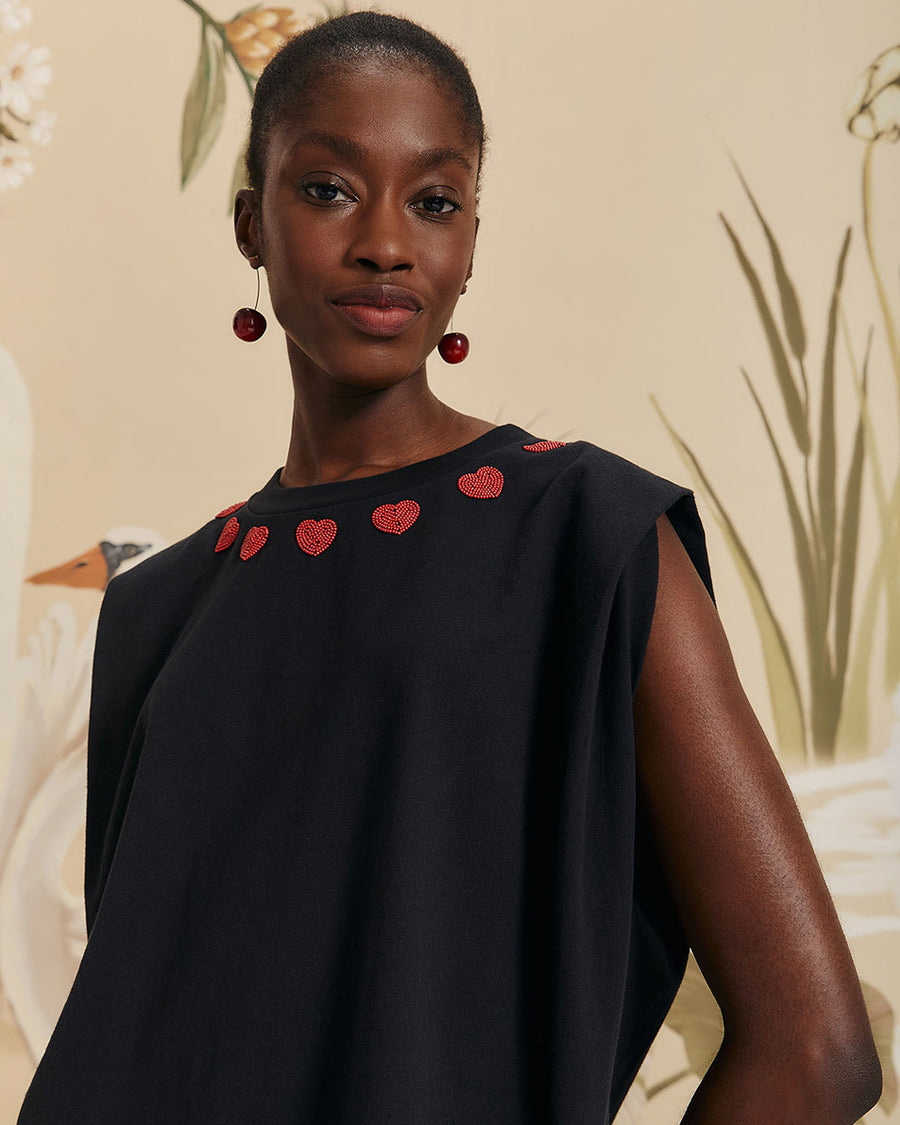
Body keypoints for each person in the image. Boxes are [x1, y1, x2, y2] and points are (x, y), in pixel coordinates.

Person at [17, 10, 882, 1124]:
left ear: (472, 241)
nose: (387, 241)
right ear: (250, 223)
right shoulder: (158, 613)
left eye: (434, 201)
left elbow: (816, 1054)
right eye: (329, 189)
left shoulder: (584, 535)